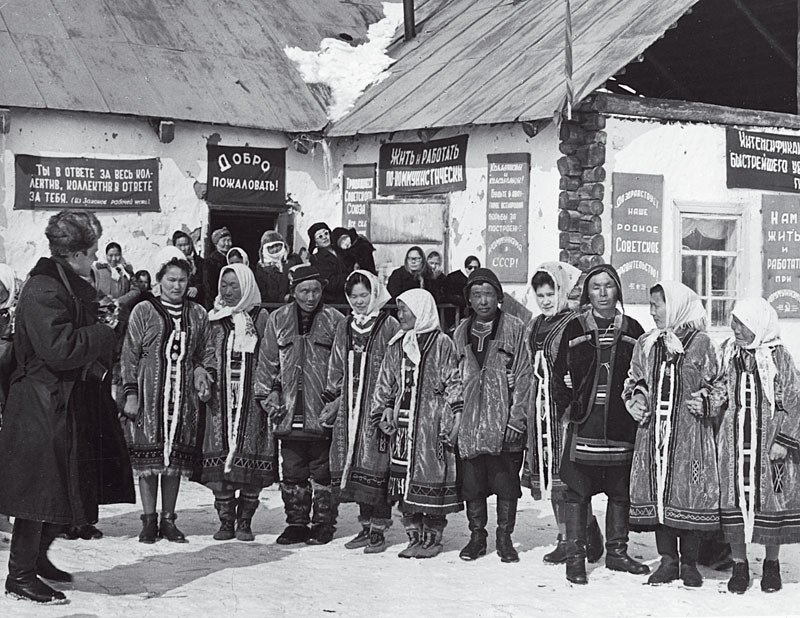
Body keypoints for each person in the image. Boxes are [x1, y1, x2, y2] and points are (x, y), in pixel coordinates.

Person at [0, 210, 134, 604]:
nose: (95, 259)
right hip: (40, 405)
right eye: (91, 252)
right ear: (73, 253)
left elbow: (73, 322)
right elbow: (58, 349)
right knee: (36, 491)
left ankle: (38, 558)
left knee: (64, 484)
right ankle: (19, 575)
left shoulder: (64, 282)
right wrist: (102, 331)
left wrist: (98, 313)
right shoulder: (44, 289)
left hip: (60, 402)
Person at [552, 263, 649, 584]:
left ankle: (618, 554)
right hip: (585, 423)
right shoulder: (574, 328)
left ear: (618, 290)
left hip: (621, 426)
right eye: (596, 287)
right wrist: (567, 405)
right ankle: (575, 559)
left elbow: (644, 375)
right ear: (587, 292)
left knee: (620, 492)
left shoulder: (634, 329)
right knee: (578, 493)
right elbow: (558, 374)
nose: (603, 292)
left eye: (609, 286)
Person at [624, 282, 721, 588]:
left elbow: (720, 384)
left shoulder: (702, 343)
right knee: (658, 494)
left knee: (687, 494)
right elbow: (634, 379)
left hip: (690, 436)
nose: (652, 311)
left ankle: (689, 563)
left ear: (677, 306)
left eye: (658, 305)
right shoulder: (647, 343)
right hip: (653, 435)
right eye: (651, 305)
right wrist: (636, 399)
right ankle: (668, 561)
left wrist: (705, 400)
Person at [120, 246, 213, 544]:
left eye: (182, 280)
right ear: (160, 279)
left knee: (173, 460)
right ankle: (148, 520)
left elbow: (204, 353)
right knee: (149, 459)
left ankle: (169, 519)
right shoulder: (144, 311)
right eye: (171, 280)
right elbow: (129, 354)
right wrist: (131, 394)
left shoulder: (197, 313)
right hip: (149, 395)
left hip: (182, 397)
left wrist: (201, 373)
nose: (176, 286)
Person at [255, 265, 345, 545]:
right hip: (288, 409)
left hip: (321, 409)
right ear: (293, 291)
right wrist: (268, 393)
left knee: (322, 470)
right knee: (292, 470)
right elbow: (268, 360)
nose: (311, 296)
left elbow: (340, 364)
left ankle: (323, 523)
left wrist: (335, 400)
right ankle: (296, 522)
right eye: (304, 290)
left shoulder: (336, 320)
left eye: (316, 290)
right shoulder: (278, 319)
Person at [522, 262, 606, 565]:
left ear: (561, 291)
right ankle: (569, 536)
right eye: (540, 294)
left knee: (567, 480)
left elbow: (588, 364)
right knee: (550, 481)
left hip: (565, 412)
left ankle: (581, 536)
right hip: (539, 409)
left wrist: (574, 380)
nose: (545, 300)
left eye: (551, 293)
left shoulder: (575, 323)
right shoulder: (533, 325)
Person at [715, 298, 800, 594]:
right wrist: (706, 402)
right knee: (734, 499)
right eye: (734, 322)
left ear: (758, 324)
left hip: (769, 441)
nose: (735, 328)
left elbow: (791, 399)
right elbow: (720, 389)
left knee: (770, 501)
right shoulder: (728, 352)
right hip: (735, 438)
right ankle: (739, 564)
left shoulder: (778, 356)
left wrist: (783, 441)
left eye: (742, 323)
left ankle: (771, 565)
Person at [373, 289, 463, 559]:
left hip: (432, 423)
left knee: (431, 477)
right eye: (398, 310)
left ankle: (432, 537)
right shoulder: (398, 344)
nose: (399, 315)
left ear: (421, 311)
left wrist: (455, 417)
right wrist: (386, 408)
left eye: (404, 310)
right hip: (403, 423)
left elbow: (453, 381)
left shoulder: (442, 343)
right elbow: (387, 380)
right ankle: (413, 535)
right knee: (403, 481)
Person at [320, 270, 399, 553]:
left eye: (364, 295)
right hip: (349, 408)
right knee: (353, 465)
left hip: (375, 409)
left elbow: (395, 367)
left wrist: (389, 402)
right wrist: (333, 398)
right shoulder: (345, 326)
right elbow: (336, 363)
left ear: (374, 293)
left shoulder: (389, 325)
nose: (359, 301)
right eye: (354, 296)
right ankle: (364, 526)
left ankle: (379, 529)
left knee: (377, 465)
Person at [454, 268, 530, 563]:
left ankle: (504, 538)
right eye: (476, 295)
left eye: (488, 293)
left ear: (498, 296)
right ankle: (477, 536)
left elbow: (524, 375)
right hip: (471, 425)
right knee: (473, 484)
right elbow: (451, 377)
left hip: (504, 424)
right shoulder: (459, 332)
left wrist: (516, 419)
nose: (482, 300)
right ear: (469, 300)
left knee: (506, 483)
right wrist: (456, 417)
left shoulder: (514, 327)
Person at [197, 264, 277, 542]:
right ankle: (226, 521)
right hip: (219, 402)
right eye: (224, 285)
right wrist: (205, 375)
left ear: (247, 286)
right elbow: (206, 353)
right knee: (218, 462)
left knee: (251, 458)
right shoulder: (214, 319)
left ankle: (245, 521)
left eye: (235, 285)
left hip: (252, 401)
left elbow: (271, 357)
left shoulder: (262, 318)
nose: (228, 291)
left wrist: (269, 389)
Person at [308, 222, 347, 306]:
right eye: (320, 236)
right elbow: (330, 283)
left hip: (348, 299)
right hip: (334, 303)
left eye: (326, 233)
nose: (324, 237)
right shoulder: (317, 259)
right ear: (315, 242)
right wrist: (350, 277)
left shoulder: (340, 250)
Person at [254, 230, 290, 304]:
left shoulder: (291, 263)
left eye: (277, 245)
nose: (275, 249)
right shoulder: (261, 268)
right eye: (271, 247)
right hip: (269, 307)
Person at [173, 230, 207, 308]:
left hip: (197, 303)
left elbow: (207, 283)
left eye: (185, 245)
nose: (183, 248)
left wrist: (197, 288)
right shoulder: (171, 264)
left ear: (190, 245)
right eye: (179, 245)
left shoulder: (201, 262)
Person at [207, 227, 232, 303]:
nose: (227, 244)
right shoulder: (211, 261)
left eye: (229, 240)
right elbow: (209, 286)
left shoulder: (232, 258)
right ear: (216, 243)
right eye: (224, 241)